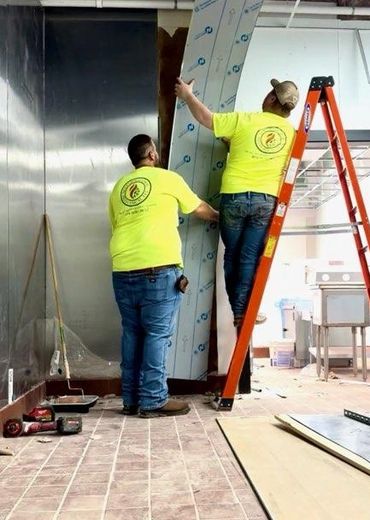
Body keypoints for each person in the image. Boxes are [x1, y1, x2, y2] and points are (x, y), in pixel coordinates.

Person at [174, 77, 299, 330]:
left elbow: (207, 119)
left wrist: (187, 95)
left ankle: (239, 312)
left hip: (234, 197)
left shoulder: (245, 120)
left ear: (272, 98)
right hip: (265, 201)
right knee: (249, 256)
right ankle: (244, 312)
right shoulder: (293, 134)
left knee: (232, 255)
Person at [109, 134, 219, 418]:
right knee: (157, 335)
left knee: (132, 334)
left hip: (122, 270)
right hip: (157, 268)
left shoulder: (118, 188)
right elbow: (200, 209)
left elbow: (116, 225)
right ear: (153, 154)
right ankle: (154, 400)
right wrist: (224, 217)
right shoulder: (168, 178)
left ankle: (130, 400)